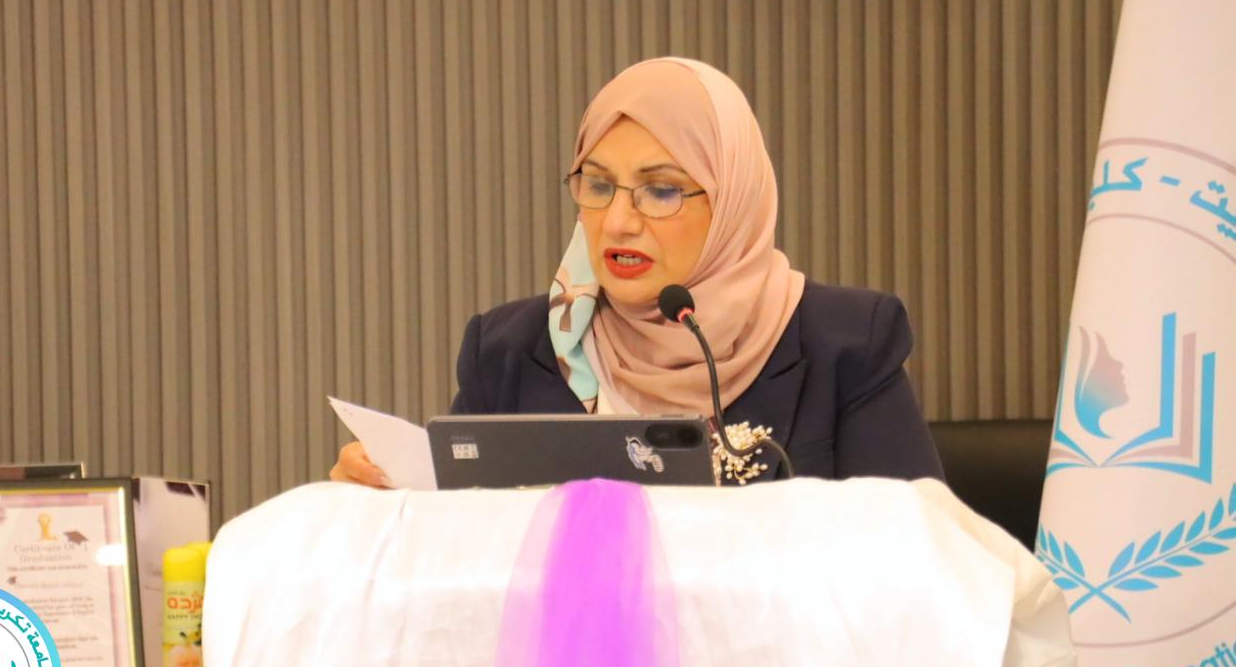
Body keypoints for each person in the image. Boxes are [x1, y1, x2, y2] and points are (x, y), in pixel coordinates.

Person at [331, 57, 943, 487]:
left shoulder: (847, 344)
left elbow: (914, 553)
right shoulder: (509, 351)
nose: (619, 222)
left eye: (662, 190)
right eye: (598, 185)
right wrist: (382, 499)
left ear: (732, 202)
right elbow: (454, 542)